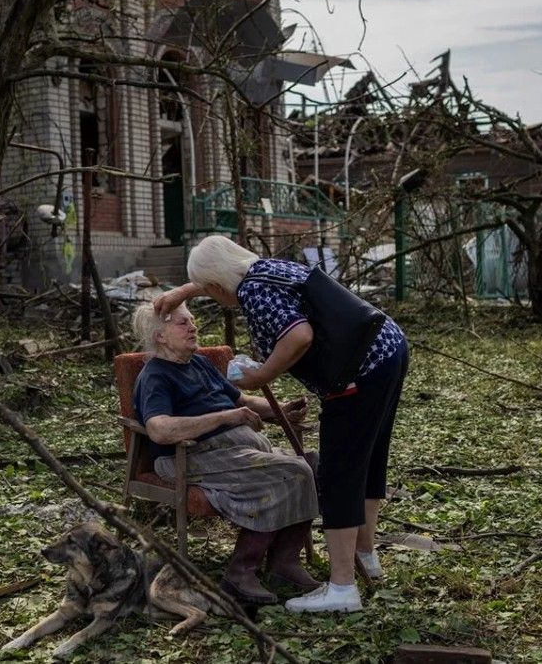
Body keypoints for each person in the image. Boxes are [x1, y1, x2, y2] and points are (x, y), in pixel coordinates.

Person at [153, 235, 409, 613]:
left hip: (357, 372)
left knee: (339, 473)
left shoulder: (253, 293)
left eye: (207, 293)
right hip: (386, 349)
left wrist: (262, 375)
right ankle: (364, 555)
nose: (196, 319)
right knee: (368, 463)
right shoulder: (266, 270)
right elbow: (221, 278)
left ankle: (342, 588)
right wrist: (186, 290)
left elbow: (299, 336)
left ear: (217, 285)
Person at [130, 302, 320, 605]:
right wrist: (224, 418)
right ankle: (240, 573)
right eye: (182, 323)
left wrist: (280, 410)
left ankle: (284, 563)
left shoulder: (200, 363)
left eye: (192, 320)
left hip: (236, 449)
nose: (193, 327)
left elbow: (239, 398)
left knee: (311, 462)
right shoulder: (156, 376)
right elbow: (159, 429)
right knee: (291, 471)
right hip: (191, 455)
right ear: (160, 336)